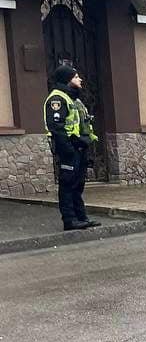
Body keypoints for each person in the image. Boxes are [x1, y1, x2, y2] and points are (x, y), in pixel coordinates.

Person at [45, 61, 100, 231]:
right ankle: (70, 220)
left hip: (78, 148)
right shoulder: (57, 99)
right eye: (76, 77)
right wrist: (68, 150)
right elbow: (57, 128)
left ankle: (81, 217)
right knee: (67, 185)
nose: (80, 79)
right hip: (68, 150)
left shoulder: (72, 98)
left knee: (77, 185)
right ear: (67, 79)